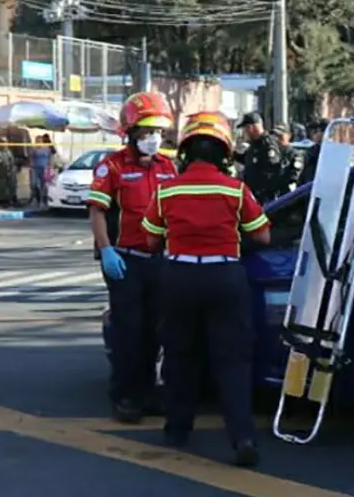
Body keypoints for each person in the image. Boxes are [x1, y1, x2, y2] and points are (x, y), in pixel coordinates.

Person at [141, 111, 270, 466]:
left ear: (184, 153)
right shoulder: (235, 189)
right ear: (225, 155)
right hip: (225, 278)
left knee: (180, 356)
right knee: (233, 361)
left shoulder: (167, 190)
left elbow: (152, 238)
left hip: (179, 277)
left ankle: (177, 431)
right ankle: (242, 436)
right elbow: (263, 234)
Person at [87, 91, 178, 423]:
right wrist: (106, 248)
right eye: (145, 133)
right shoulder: (111, 166)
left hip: (159, 260)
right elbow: (97, 212)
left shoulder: (168, 167)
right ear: (130, 133)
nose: (153, 139)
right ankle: (125, 396)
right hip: (125, 261)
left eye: (157, 133)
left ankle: (148, 392)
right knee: (129, 331)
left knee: (155, 330)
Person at [237, 112, 283, 203]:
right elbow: (248, 162)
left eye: (246, 128)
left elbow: (272, 171)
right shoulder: (254, 145)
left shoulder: (267, 144)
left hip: (263, 197)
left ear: (252, 127)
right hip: (251, 194)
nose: (245, 132)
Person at [270, 123, 303, 197]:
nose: (277, 139)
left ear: (289, 136)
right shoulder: (271, 153)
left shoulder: (295, 155)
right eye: (274, 136)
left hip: (286, 197)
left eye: (280, 136)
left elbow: (294, 177)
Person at [299, 118, 327, 183]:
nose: (314, 134)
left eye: (316, 131)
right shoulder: (310, 151)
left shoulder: (334, 152)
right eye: (313, 132)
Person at [29, 134, 55, 206]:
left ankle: (42, 201)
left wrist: (50, 167)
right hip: (35, 168)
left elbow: (50, 158)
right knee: (33, 184)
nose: (38, 142)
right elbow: (31, 158)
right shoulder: (33, 149)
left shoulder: (47, 149)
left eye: (40, 140)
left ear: (42, 141)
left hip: (44, 169)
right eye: (37, 141)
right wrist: (31, 166)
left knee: (43, 186)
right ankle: (36, 198)